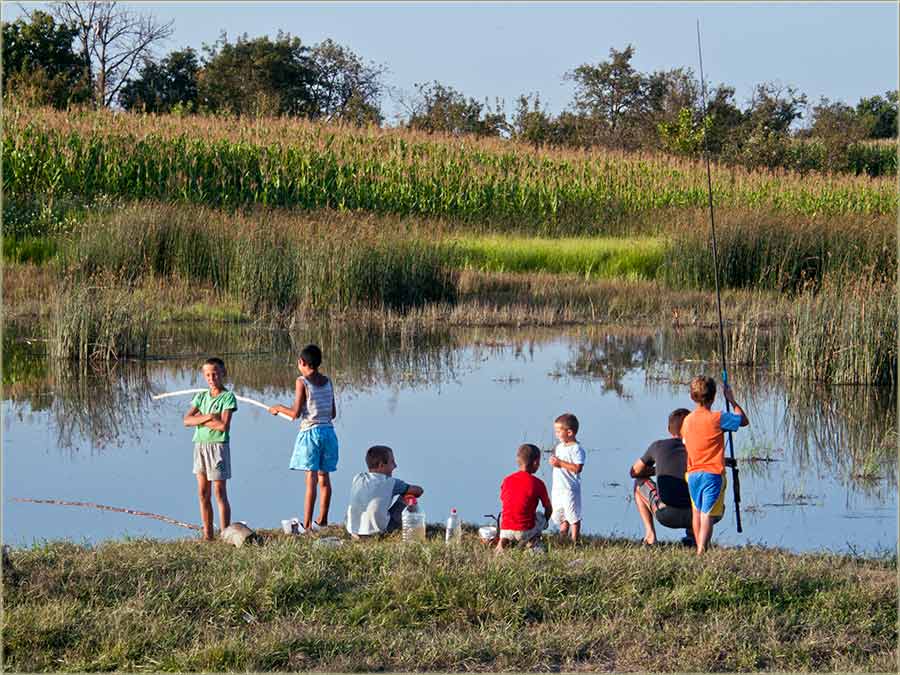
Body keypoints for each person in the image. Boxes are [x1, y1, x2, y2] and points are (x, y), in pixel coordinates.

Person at [268, 344, 338, 532]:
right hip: (329, 434)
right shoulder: (328, 381)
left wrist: (278, 408)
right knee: (324, 479)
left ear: (302, 362)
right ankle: (322, 521)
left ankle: (306, 526)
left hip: (311, 435)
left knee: (311, 480)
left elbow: (294, 414)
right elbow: (332, 413)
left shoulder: (302, 382)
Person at [630, 408, 717, 546]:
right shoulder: (703, 448)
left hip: (667, 515)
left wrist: (656, 470)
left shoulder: (658, 446)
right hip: (703, 515)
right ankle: (695, 536)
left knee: (639, 482)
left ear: (669, 429)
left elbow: (634, 472)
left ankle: (650, 536)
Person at [682, 376, 749, 554]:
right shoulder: (718, 418)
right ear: (713, 397)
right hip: (712, 473)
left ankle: (699, 546)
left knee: (697, 511)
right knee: (707, 514)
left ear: (692, 397)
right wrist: (732, 400)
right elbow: (743, 420)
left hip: (693, 473)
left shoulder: (687, 421)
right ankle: (701, 550)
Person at [183, 357, 238, 541]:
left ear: (223, 373)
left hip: (218, 448)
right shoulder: (201, 397)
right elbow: (187, 420)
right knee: (202, 492)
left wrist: (202, 421)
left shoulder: (228, 397)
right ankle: (208, 534)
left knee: (219, 492)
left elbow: (223, 426)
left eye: (214, 373)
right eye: (207, 374)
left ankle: (225, 533)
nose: (211, 378)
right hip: (200, 447)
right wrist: (208, 417)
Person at [346, 445, 423, 538]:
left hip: (353, 531)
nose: (395, 466)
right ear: (381, 465)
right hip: (378, 533)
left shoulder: (358, 478)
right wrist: (403, 490)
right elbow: (418, 491)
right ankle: (412, 528)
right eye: (392, 462)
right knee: (409, 495)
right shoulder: (391, 482)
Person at [497, 443, 552, 551]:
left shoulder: (507, 480)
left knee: (508, 513)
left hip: (505, 528)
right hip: (524, 530)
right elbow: (548, 508)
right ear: (536, 463)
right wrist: (545, 523)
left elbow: (505, 501)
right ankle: (533, 541)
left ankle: (502, 542)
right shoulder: (538, 483)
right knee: (540, 517)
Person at [549, 413, 585, 543]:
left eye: (559, 431)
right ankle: (562, 537)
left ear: (569, 432)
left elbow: (577, 468)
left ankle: (575, 540)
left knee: (573, 515)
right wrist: (554, 462)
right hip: (558, 488)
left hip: (569, 488)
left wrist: (560, 463)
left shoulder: (577, 449)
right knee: (561, 515)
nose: (556, 434)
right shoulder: (559, 447)